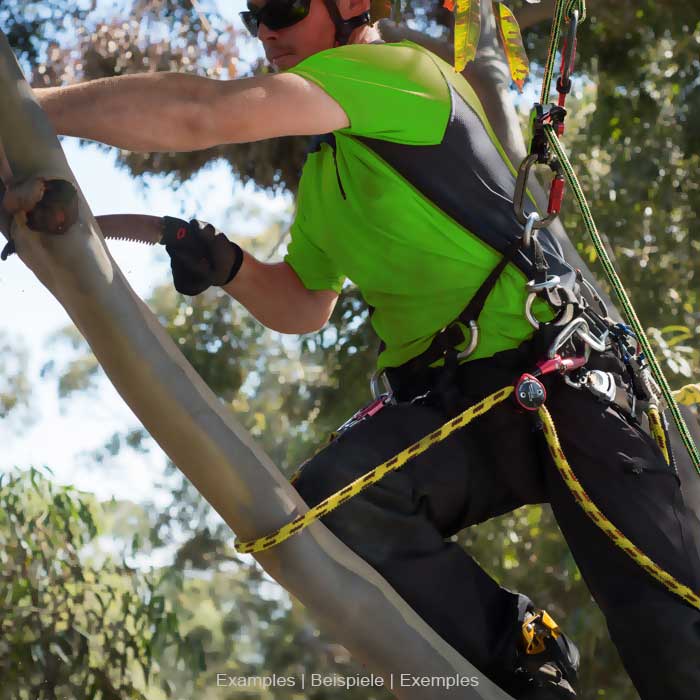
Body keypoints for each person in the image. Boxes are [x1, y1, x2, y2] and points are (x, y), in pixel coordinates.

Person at [33, 1, 700, 698]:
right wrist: (225, 264)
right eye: (252, 15)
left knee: (674, 647)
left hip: (563, 379)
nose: (265, 29)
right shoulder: (327, 175)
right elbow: (304, 302)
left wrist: (31, 106)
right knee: (340, 501)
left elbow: (201, 112)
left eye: (284, 8)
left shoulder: (399, 73)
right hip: (462, 408)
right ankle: (525, 648)